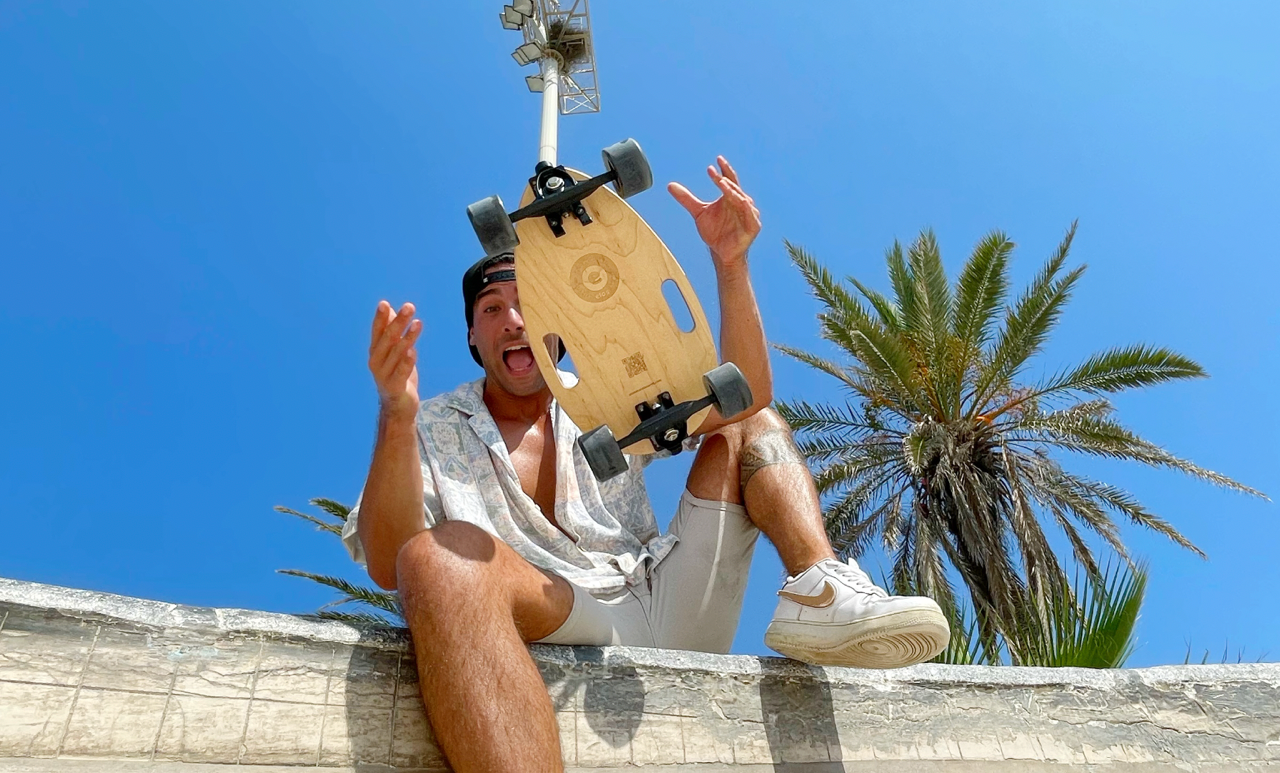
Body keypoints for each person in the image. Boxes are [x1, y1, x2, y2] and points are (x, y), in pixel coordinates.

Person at [342, 157, 949, 772]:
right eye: (493, 309)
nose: (516, 320)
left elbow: (750, 394)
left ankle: (821, 592)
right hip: (565, 614)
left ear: (560, 315)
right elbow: (391, 563)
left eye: (529, 301)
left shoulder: (604, 393)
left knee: (743, 421)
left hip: (666, 595)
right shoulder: (430, 423)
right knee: (435, 557)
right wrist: (395, 412)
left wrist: (731, 264)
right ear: (473, 336)